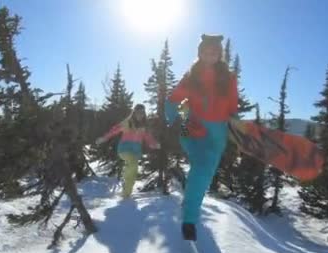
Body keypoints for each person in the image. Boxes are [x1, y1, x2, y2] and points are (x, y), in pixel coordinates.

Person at [164, 34, 239, 240]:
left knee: (203, 173)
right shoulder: (191, 77)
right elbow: (171, 101)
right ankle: (189, 220)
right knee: (203, 168)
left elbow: (233, 107)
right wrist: (172, 121)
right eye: (205, 51)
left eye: (214, 52)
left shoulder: (229, 78)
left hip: (218, 135)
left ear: (219, 54)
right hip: (191, 128)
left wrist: (237, 128)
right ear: (200, 53)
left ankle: (188, 192)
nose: (209, 55)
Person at [95, 104, 160, 199]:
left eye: (142, 113)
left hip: (136, 151)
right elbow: (115, 130)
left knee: (134, 172)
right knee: (133, 164)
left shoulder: (144, 126)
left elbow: (148, 137)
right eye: (138, 113)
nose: (140, 115)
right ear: (134, 113)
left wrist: (153, 144)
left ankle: (126, 193)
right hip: (124, 149)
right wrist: (104, 138)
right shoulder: (128, 122)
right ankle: (125, 187)